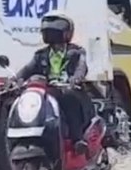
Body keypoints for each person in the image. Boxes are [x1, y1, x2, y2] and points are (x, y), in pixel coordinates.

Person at [10, 12, 98, 154]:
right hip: (48, 91)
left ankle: (77, 140)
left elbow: (81, 67)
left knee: (68, 97)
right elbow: (26, 70)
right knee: (24, 99)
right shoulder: (40, 55)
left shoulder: (76, 52)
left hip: (70, 91)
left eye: (56, 31)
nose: (52, 34)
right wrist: (14, 80)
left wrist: (75, 78)